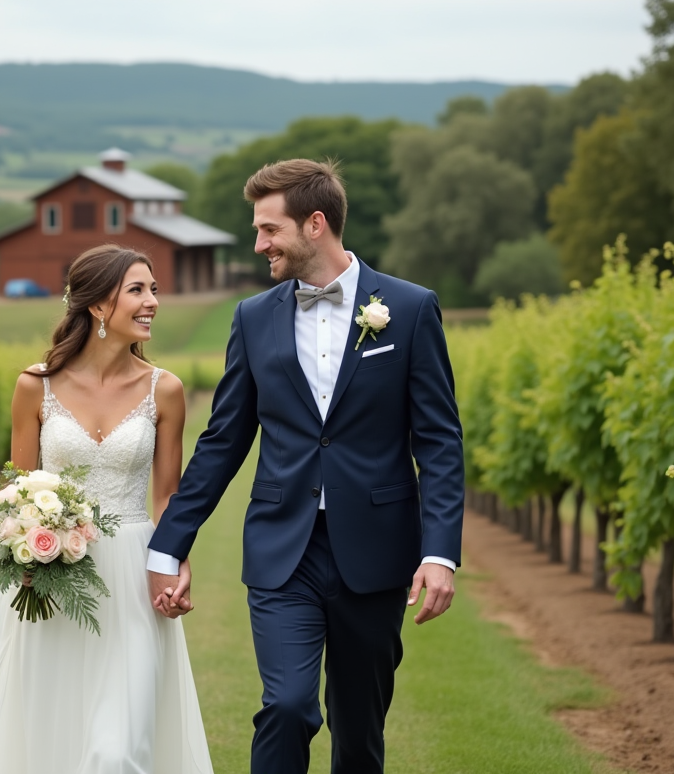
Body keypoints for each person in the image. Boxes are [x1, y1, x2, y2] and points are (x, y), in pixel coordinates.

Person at [146, 159, 464, 774]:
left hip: (375, 553)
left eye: (269, 230)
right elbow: (223, 441)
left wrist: (440, 552)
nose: (259, 243)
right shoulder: (253, 317)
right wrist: (168, 546)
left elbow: (440, 441)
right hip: (281, 547)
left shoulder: (411, 308)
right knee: (288, 706)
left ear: (315, 224)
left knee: (359, 733)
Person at [0, 245, 213, 774]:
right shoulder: (35, 386)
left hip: (133, 574)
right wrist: (24, 553)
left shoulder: (164, 390)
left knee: (116, 751)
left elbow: (167, 496)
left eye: (153, 290)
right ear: (99, 307)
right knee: (52, 738)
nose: (152, 301)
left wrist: (178, 559)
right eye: (138, 290)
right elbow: (22, 489)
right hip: (56, 578)